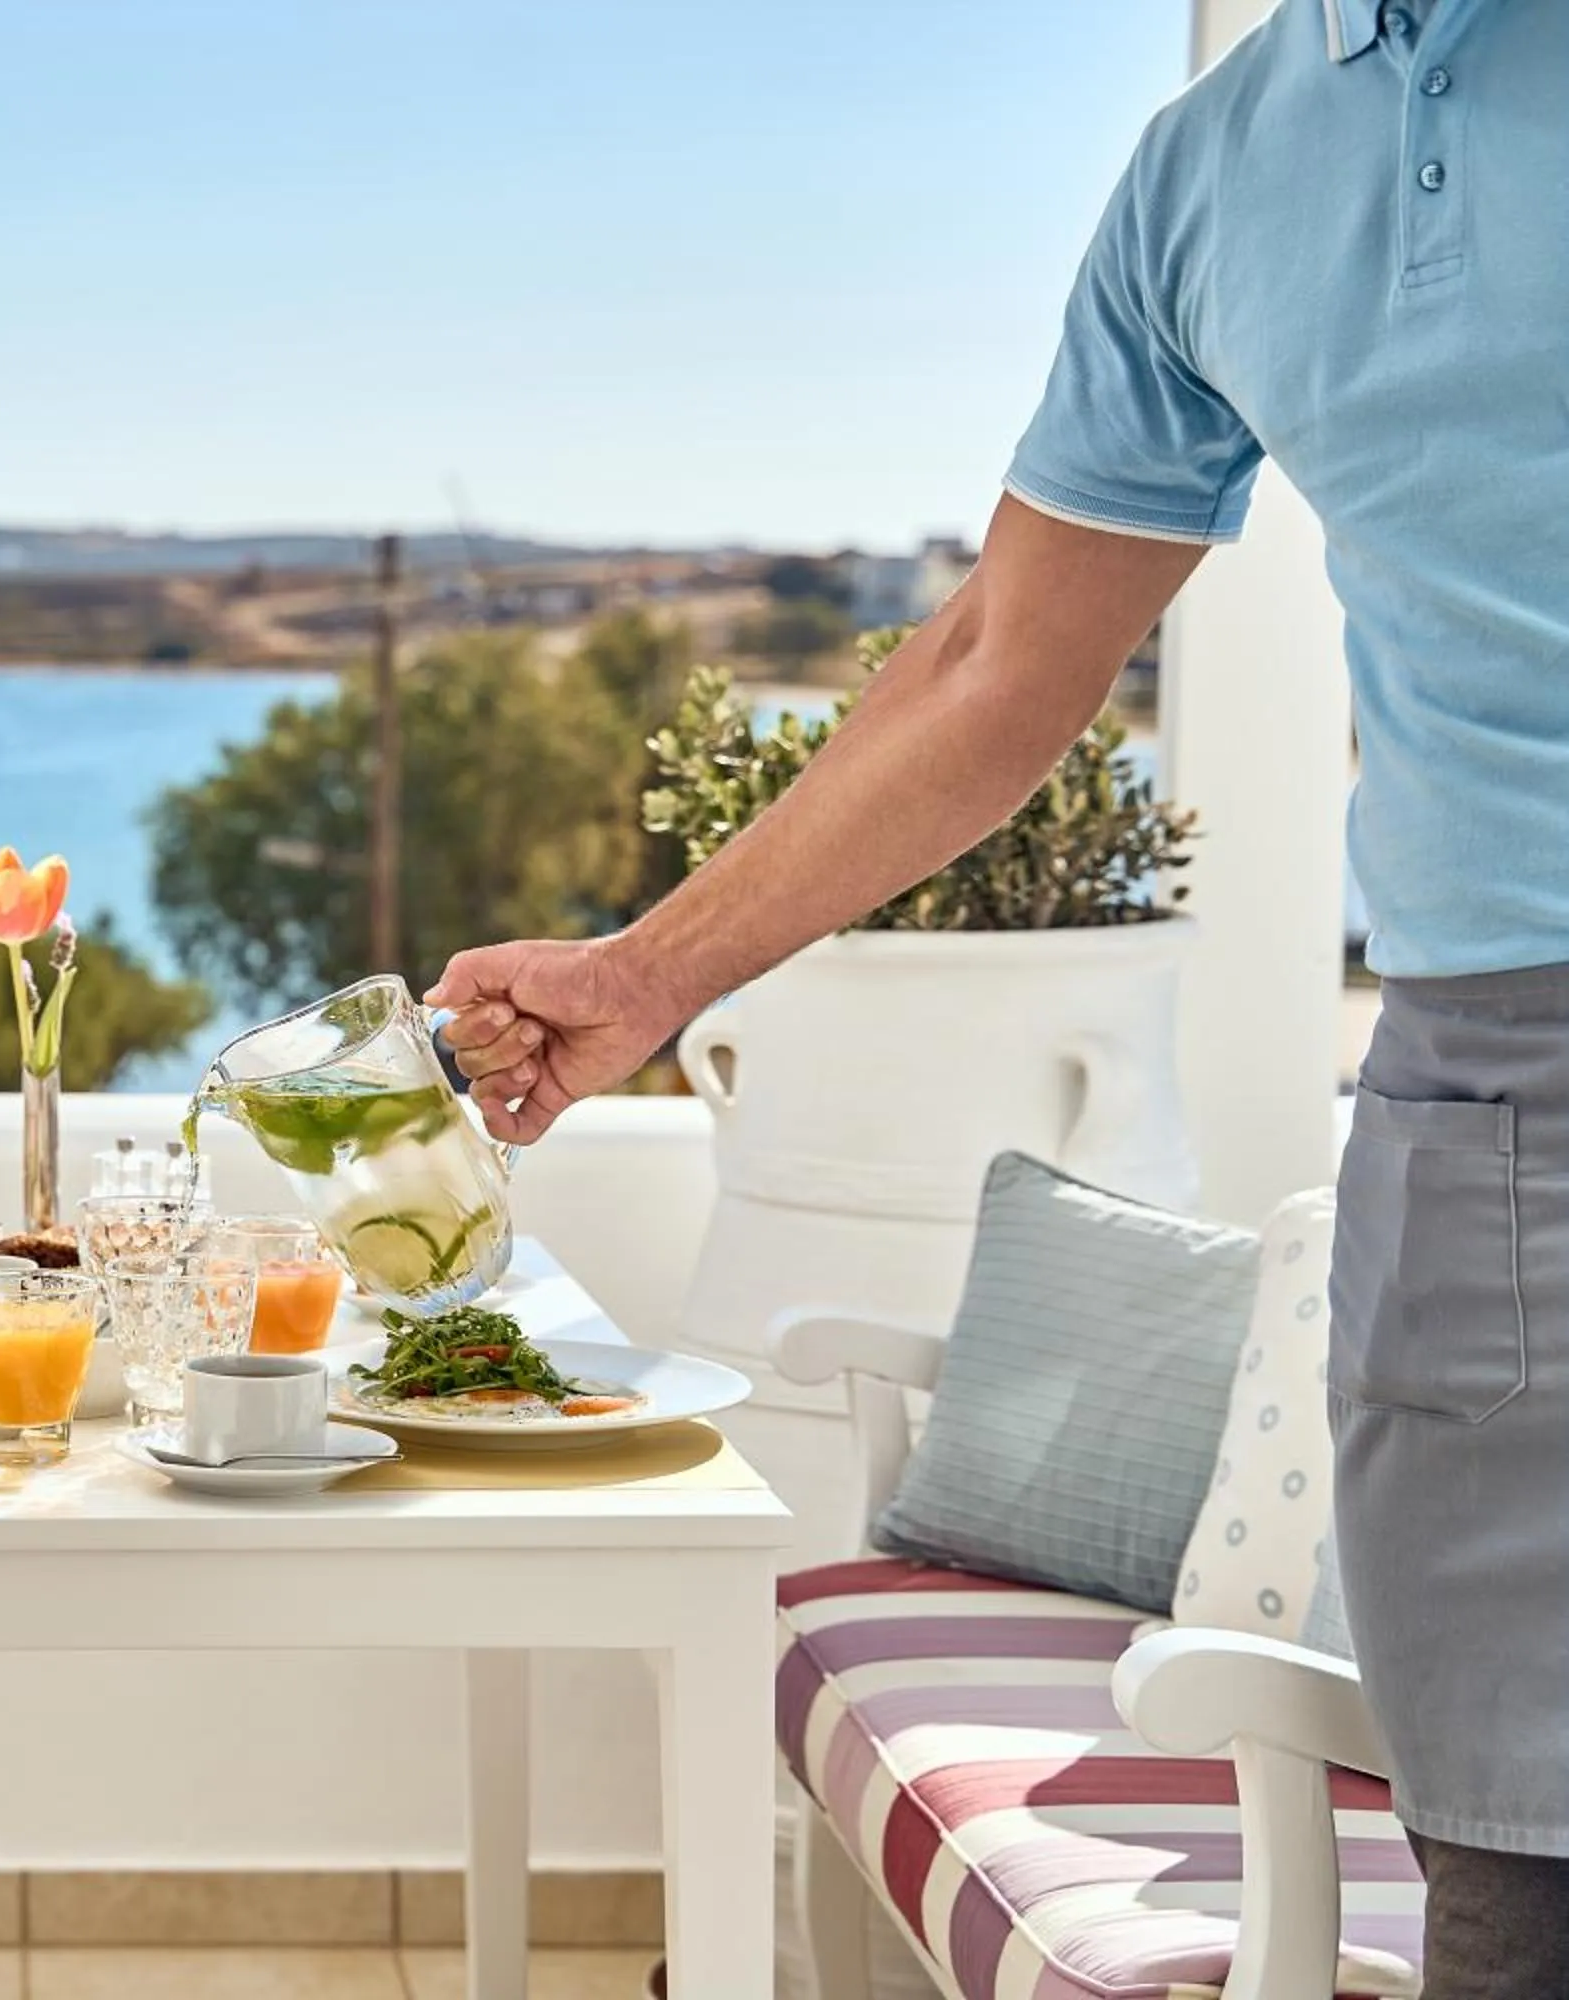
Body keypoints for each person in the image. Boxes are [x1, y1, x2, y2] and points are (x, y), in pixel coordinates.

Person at [428, 1, 1569, 1989]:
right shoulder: (1214, 171)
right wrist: (640, 979)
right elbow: (989, 670)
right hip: (1480, 1103)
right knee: (1512, 1894)